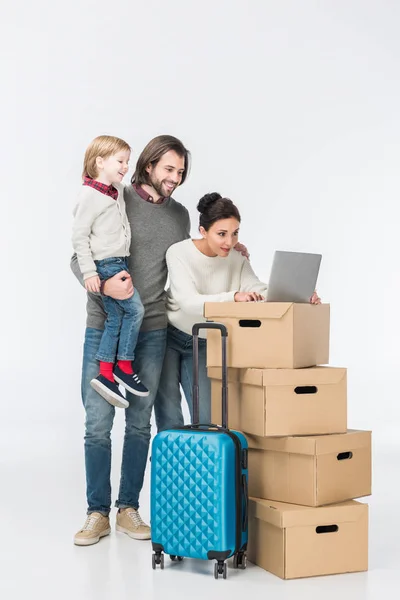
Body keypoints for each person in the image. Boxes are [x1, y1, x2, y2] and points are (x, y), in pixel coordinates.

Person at [71, 135, 192, 546]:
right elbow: (78, 255)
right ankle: (96, 514)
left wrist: (231, 252)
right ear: (149, 164)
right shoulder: (114, 196)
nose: (174, 178)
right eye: (168, 169)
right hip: (103, 325)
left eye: (180, 171)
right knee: (97, 425)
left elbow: (187, 263)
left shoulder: (180, 217)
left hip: (153, 329)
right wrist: (106, 285)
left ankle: (128, 508)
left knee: (140, 424)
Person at [155, 192, 321, 427]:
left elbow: (258, 289)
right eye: (221, 234)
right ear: (203, 231)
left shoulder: (237, 259)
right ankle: (169, 462)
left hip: (205, 341)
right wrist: (233, 297)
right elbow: (187, 301)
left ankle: (203, 464)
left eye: (234, 234)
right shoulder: (179, 253)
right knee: (168, 413)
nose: (229, 242)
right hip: (170, 336)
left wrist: (300, 295)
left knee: (206, 418)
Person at [72, 135, 148, 410]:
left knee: (116, 317)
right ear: (100, 161)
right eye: (120, 161)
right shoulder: (89, 195)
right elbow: (79, 238)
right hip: (106, 265)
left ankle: (106, 373)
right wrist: (91, 273)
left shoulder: (114, 190)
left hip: (119, 262)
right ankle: (124, 366)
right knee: (135, 310)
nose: (126, 166)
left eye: (128, 161)